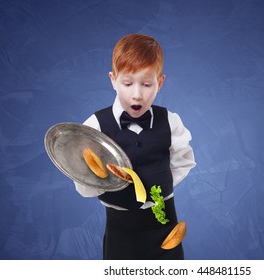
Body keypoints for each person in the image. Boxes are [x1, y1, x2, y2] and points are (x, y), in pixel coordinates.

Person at [74, 34, 196, 260]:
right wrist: (105, 183)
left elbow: (183, 162)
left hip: (165, 225)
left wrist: (158, 185)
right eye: (127, 83)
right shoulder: (94, 126)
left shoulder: (170, 120)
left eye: (147, 84)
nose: (137, 94)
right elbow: (84, 186)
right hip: (120, 231)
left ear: (160, 82)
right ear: (113, 79)